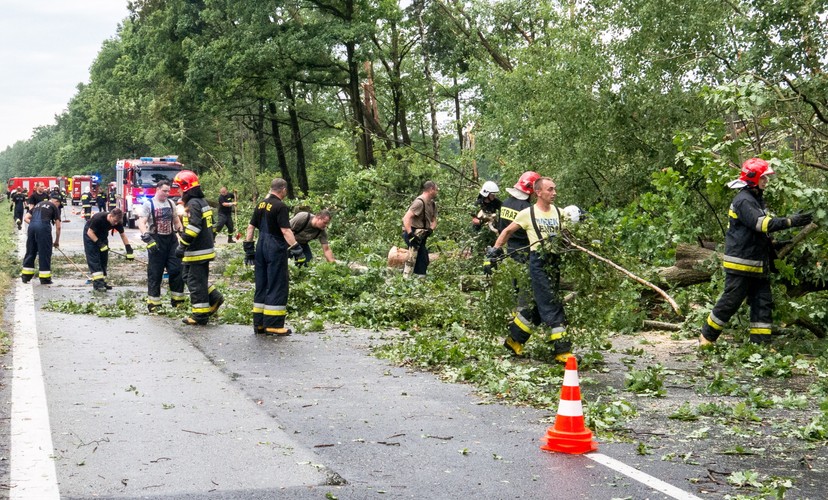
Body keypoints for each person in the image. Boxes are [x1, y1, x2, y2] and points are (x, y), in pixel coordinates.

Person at [700, 158, 813, 346]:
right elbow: (761, 224)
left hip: (757, 263)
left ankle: (760, 346)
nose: (766, 182)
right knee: (731, 301)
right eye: (763, 178)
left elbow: (754, 232)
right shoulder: (744, 200)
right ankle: (706, 336)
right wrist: (790, 221)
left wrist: (773, 243)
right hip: (741, 263)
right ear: (753, 179)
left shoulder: (755, 200)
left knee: (762, 303)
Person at [488, 176, 576, 364]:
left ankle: (514, 341)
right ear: (538, 192)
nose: (554, 193)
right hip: (538, 264)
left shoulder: (560, 213)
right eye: (550, 189)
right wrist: (495, 250)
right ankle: (562, 350)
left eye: (555, 189)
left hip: (555, 263)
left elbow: (572, 232)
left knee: (537, 306)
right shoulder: (528, 214)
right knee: (552, 304)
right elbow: (506, 232)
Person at [243, 178, 304, 335]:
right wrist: (296, 248)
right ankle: (274, 325)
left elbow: (250, 228)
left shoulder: (260, 204)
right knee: (277, 283)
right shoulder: (280, 206)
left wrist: (249, 249)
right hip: (275, 247)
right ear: (283, 189)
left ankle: (260, 324)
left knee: (262, 284)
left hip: (260, 247)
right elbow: (285, 231)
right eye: (286, 191)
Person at [174, 170, 224, 325]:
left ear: (186, 187)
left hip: (197, 251)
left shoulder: (194, 203)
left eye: (180, 187)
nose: (179, 190)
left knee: (195, 282)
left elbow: (194, 228)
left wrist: (182, 245)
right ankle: (214, 297)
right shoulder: (201, 202)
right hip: (199, 249)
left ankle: (200, 315)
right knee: (187, 277)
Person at [137, 180, 186, 312]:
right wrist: (146, 237)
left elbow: (176, 221)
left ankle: (178, 301)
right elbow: (141, 222)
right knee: (155, 272)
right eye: (164, 191)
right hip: (156, 240)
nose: (167, 193)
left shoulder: (171, 203)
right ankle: (154, 303)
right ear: (157, 189)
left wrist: (182, 233)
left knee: (177, 269)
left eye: (168, 191)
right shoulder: (149, 204)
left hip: (171, 240)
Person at [83, 208, 134, 291]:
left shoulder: (118, 222)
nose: (115, 223)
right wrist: (99, 244)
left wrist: (129, 249)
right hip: (90, 234)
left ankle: (102, 282)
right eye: (114, 221)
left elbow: (123, 235)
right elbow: (90, 232)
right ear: (110, 216)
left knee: (103, 258)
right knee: (94, 258)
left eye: (117, 221)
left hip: (102, 235)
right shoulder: (98, 218)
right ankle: (98, 284)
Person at [21, 193, 62, 284]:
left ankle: (25, 276)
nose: (58, 206)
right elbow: (58, 227)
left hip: (31, 227)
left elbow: (26, 218)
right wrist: (56, 241)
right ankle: (45, 278)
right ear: (56, 202)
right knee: (45, 252)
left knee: (31, 250)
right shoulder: (54, 207)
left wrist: (34, 224)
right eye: (58, 204)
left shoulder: (38, 204)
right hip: (43, 227)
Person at [401, 181, 438, 278]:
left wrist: (430, 229)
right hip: (413, 233)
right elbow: (406, 218)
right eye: (436, 190)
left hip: (422, 234)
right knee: (421, 257)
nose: (437, 192)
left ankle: (411, 278)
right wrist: (410, 234)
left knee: (422, 257)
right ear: (431, 189)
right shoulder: (419, 202)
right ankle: (416, 280)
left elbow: (434, 220)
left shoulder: (432, 204)